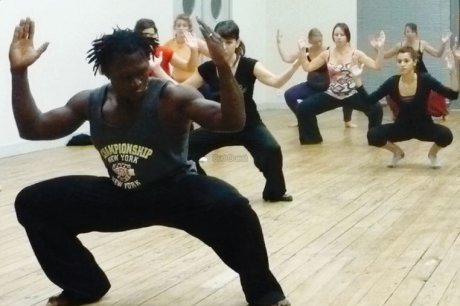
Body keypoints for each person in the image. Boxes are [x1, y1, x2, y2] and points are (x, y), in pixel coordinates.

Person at [10, 17, 290, 306]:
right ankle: (84, 285)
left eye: (142, 72)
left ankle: (265, 293)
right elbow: (34, 129)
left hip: (177, 191)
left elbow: (232, 121)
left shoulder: (172, 97)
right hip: (121, 194)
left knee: (233, 206)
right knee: (33, 202)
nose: (137, 82)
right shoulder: (90, 102)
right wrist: (18, 73)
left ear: (149, 62)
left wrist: (222, 67)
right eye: (125, 77)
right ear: (106, 73)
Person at [184, 20, 300, 203]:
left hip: (249, 124)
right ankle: (203, 188)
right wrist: (156, 71)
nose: (224, 46)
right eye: (220, 41)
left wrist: (294, 66)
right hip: (219, 124)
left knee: (272, 149)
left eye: (229, 42)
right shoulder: (207, 68)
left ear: (237, 42)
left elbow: (276, 81)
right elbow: (182, 88)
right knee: (184, 149)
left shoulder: (249, 65)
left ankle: (275, 192)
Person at [350, 46, 459, 168]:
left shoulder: (425, 79)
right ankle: (397, 152)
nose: (402, 64)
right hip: (401, 127)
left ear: (414, 62)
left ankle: (432, 155)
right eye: (399, 61)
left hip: (424, 126)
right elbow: (369, 101)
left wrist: (453, 71)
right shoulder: (392, 82)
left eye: (406, 61)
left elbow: (453, 95)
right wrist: (357, 79)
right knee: (373, 135)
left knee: (446, 135)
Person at [296, 22, 385, 144]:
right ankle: (312, 139)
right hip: (332, 94)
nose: (338, 37)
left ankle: (375, 139)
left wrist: (380, 49)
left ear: (347, 36)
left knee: (376, 108)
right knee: (303, 108)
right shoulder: (327, 54)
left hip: (352, 94)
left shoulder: (356, 54)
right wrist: (302, 50)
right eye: (336, 34)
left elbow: (377, 66)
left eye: (341, 34)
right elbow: (307, 67)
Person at [276, 27, 355, 127]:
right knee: (289, 95)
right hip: (310, 87)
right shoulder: (305, 52)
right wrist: (279, 44)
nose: (318, 44)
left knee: (347, 92)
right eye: (315, 42)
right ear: (309, 41)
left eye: (320, 41)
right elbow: (287, 58)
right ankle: (302, 119)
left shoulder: (328, 51)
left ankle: (347, 121)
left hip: (328, 89)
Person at [378, 22, 452, 120]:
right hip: (406, 75)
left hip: (422, 74)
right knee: (393, 93)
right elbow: (385, 55)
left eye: (409, 31)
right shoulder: (399, 45)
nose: (407, 33)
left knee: (435, 93)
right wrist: (379, 47)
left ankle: (441, 113)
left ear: (415, 33)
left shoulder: (422, 44)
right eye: (406, 31)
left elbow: (437, 54)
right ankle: (397, 113)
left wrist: (443, 43)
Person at [134, 18, 199, 82]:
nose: (150, 38)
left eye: (152, 34)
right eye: (146, 35)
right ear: (137, 36)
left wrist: (193, 50)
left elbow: (189, 67)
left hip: (165, 90)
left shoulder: (163, 51)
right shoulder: (131, 55)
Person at [164, 14, 210, 83]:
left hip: (194, 82)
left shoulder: (196, 42)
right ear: (175, 28)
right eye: (178, 25)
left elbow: (214, 55)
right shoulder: (169, 44)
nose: (181, 28)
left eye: (184, 25)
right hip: (176, 82)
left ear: (189, 28)